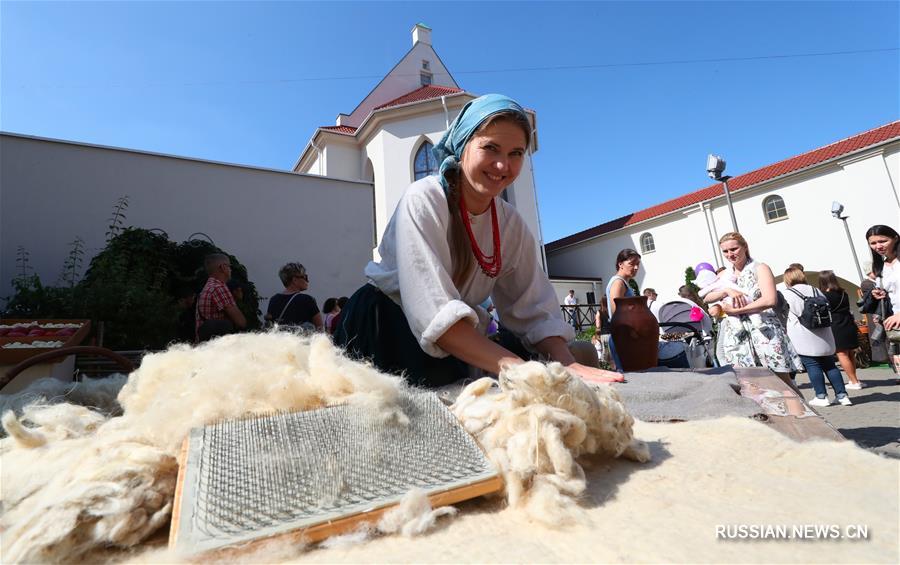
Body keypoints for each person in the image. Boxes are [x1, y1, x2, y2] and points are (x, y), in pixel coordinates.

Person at [334, 94, 621, 387]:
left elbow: (532, 306)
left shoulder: (510, 224)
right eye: (491, 148)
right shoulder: (424, 199)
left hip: (457, 338)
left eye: (516, 153)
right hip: (385, 331)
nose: (502, 165)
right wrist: (521, 369)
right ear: (462, 147)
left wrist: (567, 362)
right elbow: (433, 312)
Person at [704, 232, 800, 382]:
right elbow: (707, 297)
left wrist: (737, 310)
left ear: (745, 247)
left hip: (764, 331)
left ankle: (796, 406)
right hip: (738, 336)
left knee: (782, 383)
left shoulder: (760, 268)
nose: (730, 254)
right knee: (750, 384)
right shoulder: (725, 274)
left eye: (734, 249)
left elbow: (770, 300)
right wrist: (726, 291)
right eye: (725, 251)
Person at [782, 267, 851, 406]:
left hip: (803, 334)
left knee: (812, 364)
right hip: (824, 333)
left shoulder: (788, 294)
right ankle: (842, 395)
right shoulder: (816, 290)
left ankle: (821, 396)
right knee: (830, 365)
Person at [818, 270, 862, 389]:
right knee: (850, 352)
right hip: (848, 322)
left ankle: (854, 381)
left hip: (836, 325)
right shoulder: (843, 293)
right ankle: (854, 379)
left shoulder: (824, 296)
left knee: (841, 353)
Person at [196, 253, 247, 342]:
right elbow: (241, 322)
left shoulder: (207, 288)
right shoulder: (219, 288)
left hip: (205, 346)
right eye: (229, 266)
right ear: (223, 267)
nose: (230, 270)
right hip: (219, 346)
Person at [606, 249, 641, 370]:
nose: (636, 267)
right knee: (630, 376)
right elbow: (617, 311)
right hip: (622, 337)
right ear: (620, 264)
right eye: (632, 264)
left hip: (623, 336)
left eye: (638, 264)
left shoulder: (623, 282)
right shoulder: (618, 283)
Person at [265, 262, 323, 331]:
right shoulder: (307, 300)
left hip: (279, 340)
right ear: (294, 280)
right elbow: (320, 328)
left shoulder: (273, 299)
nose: (307, 281)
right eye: (305, 277)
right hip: (299, 341)